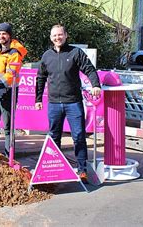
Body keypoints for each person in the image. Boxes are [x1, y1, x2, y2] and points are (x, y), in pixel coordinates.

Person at [35, 24, 101, 182]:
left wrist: (96, 85)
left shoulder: (75, 52)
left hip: (73, 102)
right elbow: (40, 78)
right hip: (54, 104)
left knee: (78, 136)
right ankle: (54, 167)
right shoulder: (46, 56)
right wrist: (37, 99)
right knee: (54, 137)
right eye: (54, 36)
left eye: (60, 35)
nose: (57, 38)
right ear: (51, 38)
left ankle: (82, 169)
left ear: (66, 35)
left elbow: (89, 69)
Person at [0, 22, 27, 155]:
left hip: (7, 94)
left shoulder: (15, 54)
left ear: (9, 36)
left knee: (8, 128)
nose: (2, 36)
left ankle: (9, 156)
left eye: (4, 34)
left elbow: (8, 76)